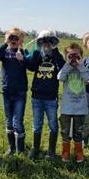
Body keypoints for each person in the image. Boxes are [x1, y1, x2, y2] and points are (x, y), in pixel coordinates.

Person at [27, 29, 65, 159]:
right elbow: (31, 66)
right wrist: (36, 50)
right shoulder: (38, 55)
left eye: (50, 42)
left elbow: (62, 69)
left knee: (53, 125)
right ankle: (35, 148)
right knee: (37, 124)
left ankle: (51, 151)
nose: (47, 45)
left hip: (51, 98)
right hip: (37, 97)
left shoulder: (56, 56)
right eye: (44, 42)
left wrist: (55, 51)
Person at [0, 27, 29, 155]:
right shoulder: (4, 52)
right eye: (11, 37)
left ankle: (21, 149)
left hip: (20, 92)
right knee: (9, 121)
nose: (13, 40)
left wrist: (23, 59)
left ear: (21, 41)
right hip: (7, 91)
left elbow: (31, 66)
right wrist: (5, 43)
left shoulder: (24, 52)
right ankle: (11, 148)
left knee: (17, 121)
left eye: (16, 38)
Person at [57, 43, 89, 163]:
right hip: (66, 108)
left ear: (81, 56)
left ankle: (79, 152)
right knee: (65, 131)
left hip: (80, 108)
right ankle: (65, 152)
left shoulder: (83, 68)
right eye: (70, 56)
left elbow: (88, 78)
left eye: (76, 55)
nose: (73, 59)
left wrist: (81, 65)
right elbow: (60, 77)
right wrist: (67, 64)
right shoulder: (66, 69)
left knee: (79, 131)